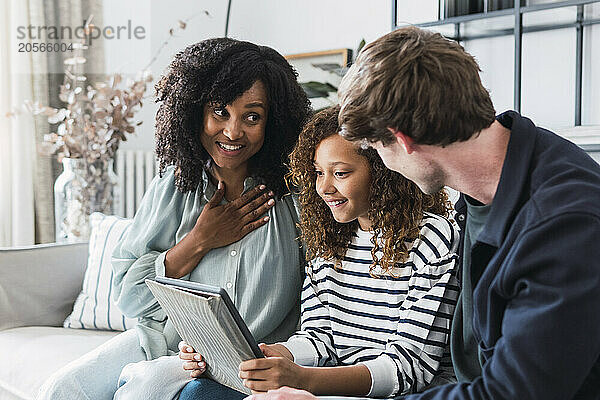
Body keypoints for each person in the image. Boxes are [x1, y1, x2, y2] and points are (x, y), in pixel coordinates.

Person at [248, 26, 600, 400]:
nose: (381, 162)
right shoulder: (493, 184)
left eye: (374, 147)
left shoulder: (564, 223)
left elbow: (513, 394)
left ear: (402, 139)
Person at [37, 37, 312, 400]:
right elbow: (130, 297)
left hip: (244, 364)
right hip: (160, 341)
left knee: (144, 390)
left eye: (252, 117)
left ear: (273, 121)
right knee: (61, 388)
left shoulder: (296, 197)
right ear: (194, 110)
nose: (232, 131)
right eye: (219, 111)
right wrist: (199, 240)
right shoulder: (173, 185)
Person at [178, 106, 460, 399]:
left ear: (384, 170)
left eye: (340, 173)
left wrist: (304, 380)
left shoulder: (431, 237)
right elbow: (319, 339)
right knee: (200, 392)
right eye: (318, 173)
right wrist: (276, 355)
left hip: (400, 393)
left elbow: (408, 369)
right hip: (327, 385)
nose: (324, 187)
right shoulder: (330, 239)